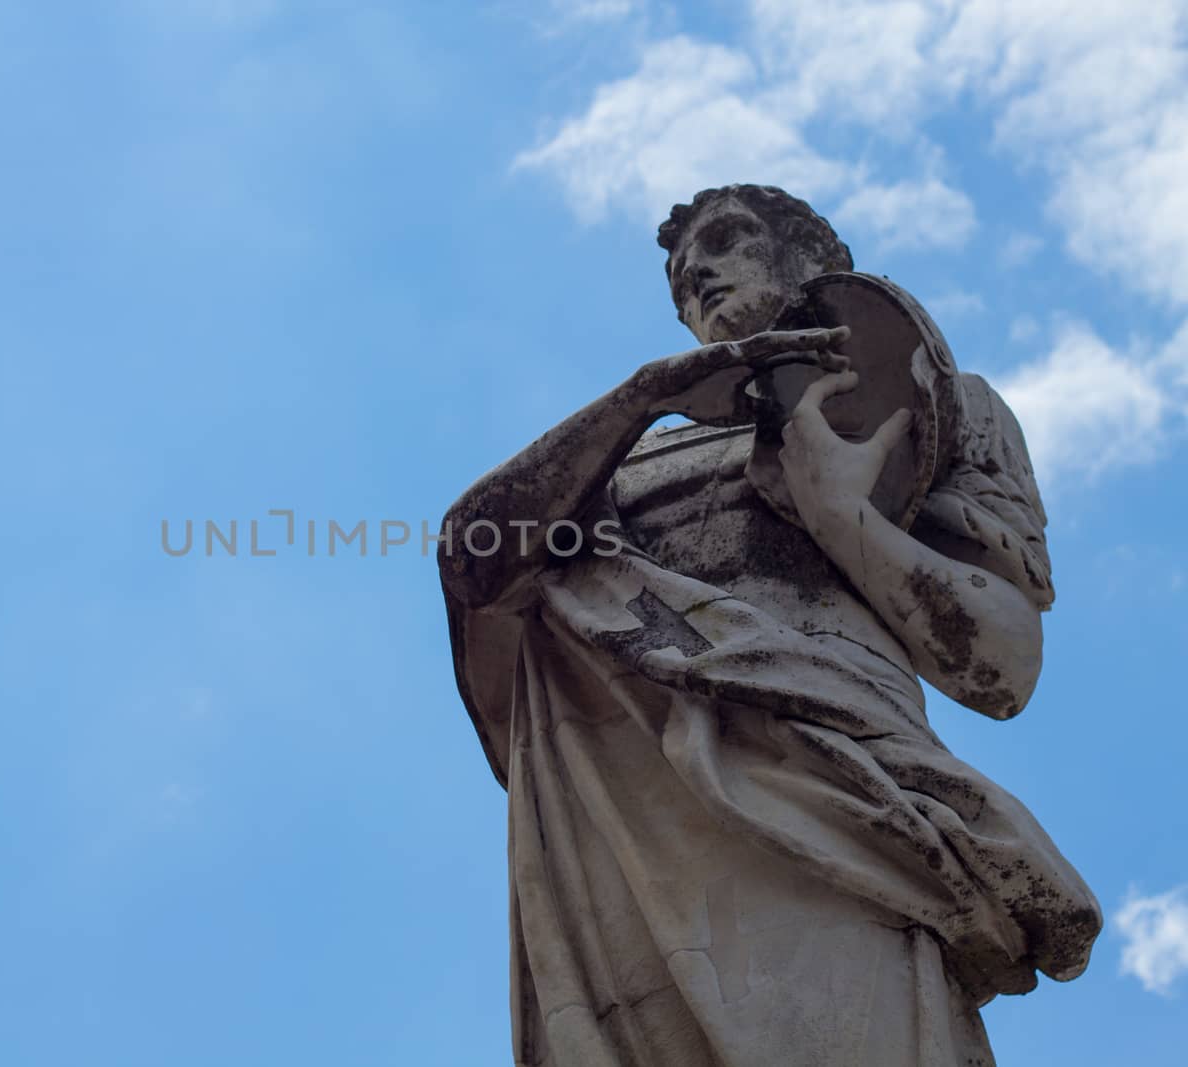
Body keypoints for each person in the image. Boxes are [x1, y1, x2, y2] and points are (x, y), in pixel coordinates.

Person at [438, 184, 1100, 1067]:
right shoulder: (626, 454)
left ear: (811, 258)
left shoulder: (927, 397)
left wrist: (840, 517)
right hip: (627, 807)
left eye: (726, 240)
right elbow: (474, 556)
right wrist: (642, 398)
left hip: (827, 800)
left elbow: (1001, 662)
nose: (697, 275)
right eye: (678, 280)